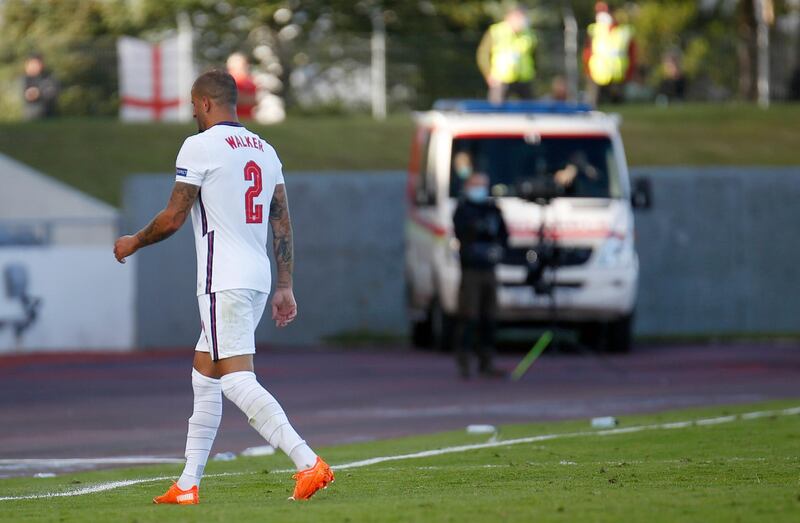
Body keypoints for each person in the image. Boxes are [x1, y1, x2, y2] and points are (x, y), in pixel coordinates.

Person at [113, 70, 333, 504]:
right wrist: (285, 284)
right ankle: (188, 484)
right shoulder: (266, 150)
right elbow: (281, 219)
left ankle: (308, 462)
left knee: (234, 380)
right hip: (255, 276)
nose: (192, 112)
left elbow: (175, 215)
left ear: (206, 103)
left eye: (194, 104)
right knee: (205, 376)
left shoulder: (200, 146)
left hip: (223, 280)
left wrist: (135, 240)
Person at [452, 172, 509, 379]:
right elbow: (462, 232)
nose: (480, 189)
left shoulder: (492, 210)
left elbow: (504, 235)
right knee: (469, 317)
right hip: (471, 270)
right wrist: (478, 230)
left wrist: (497, 247)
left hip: (489, 269)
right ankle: (464, 362)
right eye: (476, 185)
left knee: (489, 317)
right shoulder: (463, 209)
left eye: (483, 185)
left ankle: (486, 362)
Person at [477, 6, 538, 104]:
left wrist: (534, 71)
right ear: (509, 18)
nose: (521, 22)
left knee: (531, 110)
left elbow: (535, 55)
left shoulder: (529, 33)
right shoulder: (496, 31)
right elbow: (483, 54)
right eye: (518, 18)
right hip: (501, 79)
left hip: (524, 79)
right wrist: (488, 74)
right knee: (496, 110)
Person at [582, 2, 636, 106]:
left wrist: (630, 73)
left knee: (617, 107)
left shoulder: (624, 31)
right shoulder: (594, 30)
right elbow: (587, 53)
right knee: (593, 107)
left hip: (617, 78)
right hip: (596, 76)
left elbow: (632, 54)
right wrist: (587, 71)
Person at [22, 54, 59, 120]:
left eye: (36, 64)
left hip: (49, 115)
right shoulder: (25, 79)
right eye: (32, 64)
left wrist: (39, 93)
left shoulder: (48, 76)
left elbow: (53, 92)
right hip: (31, 116)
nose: (34, 66)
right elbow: (26, 96)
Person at [226, 52, 258, 120]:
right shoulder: (226, 81)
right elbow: (229, 100)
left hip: (248, 118)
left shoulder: (250, 81)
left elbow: (255, 100)